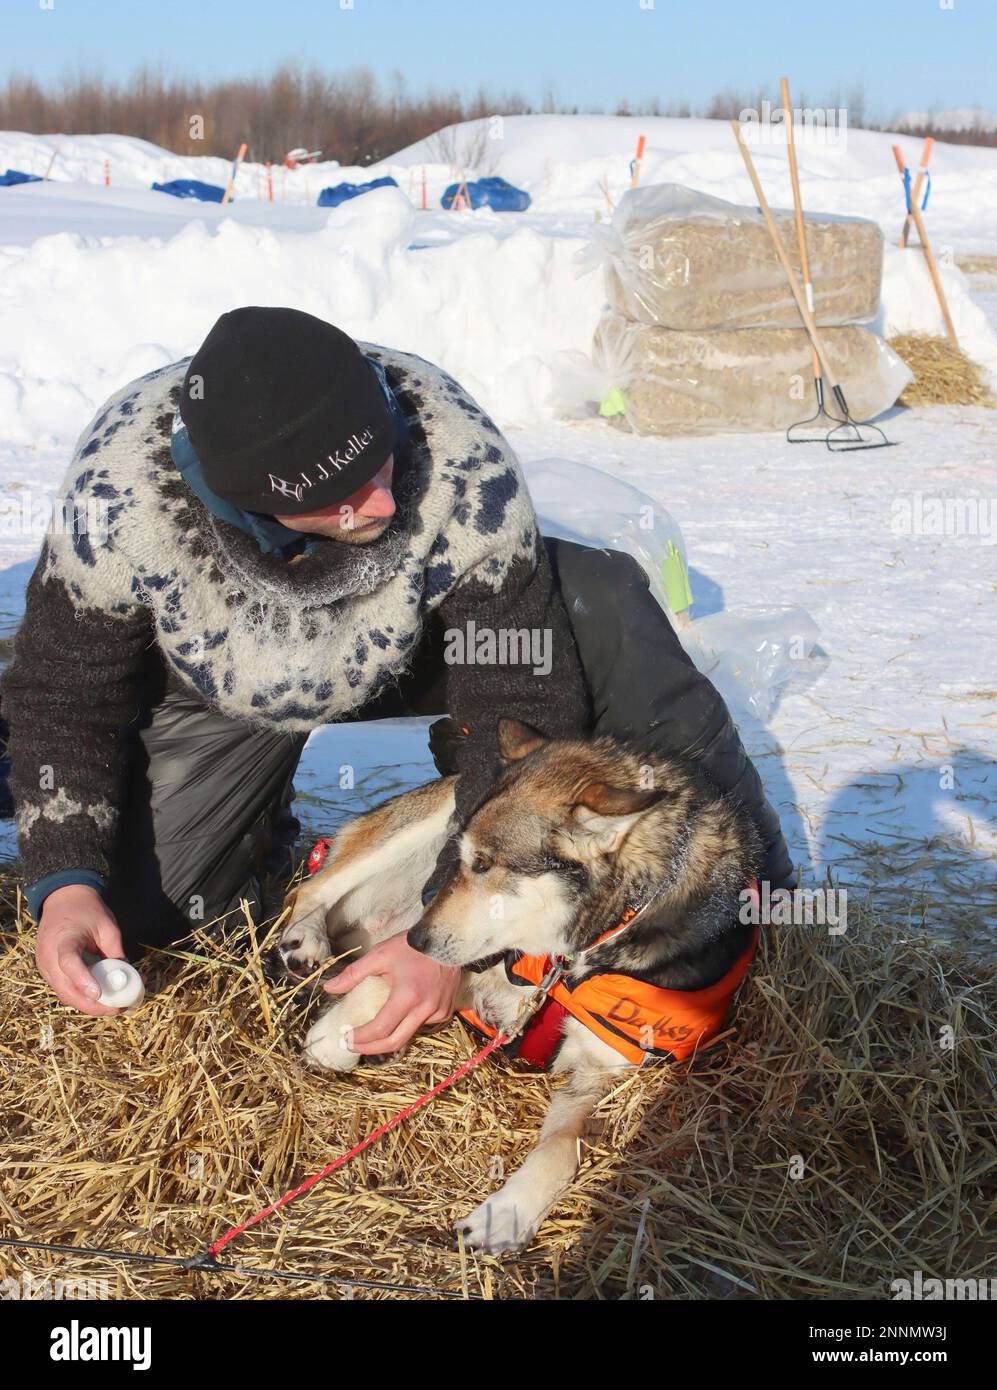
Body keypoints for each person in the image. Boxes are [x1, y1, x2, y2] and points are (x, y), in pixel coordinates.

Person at [1, 306, 792, 1050]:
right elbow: (62, 697)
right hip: (222, 678)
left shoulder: (451, 447)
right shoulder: (118, 498)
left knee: (599, 599)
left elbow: (513, 692)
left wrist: (446, 931)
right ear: (249, 501)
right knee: (150, 921)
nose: (385, 496)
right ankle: (256, 819)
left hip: (414, 644)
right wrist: (63, 882)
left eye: (382, 458)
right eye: (342, 496)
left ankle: (746, 901)